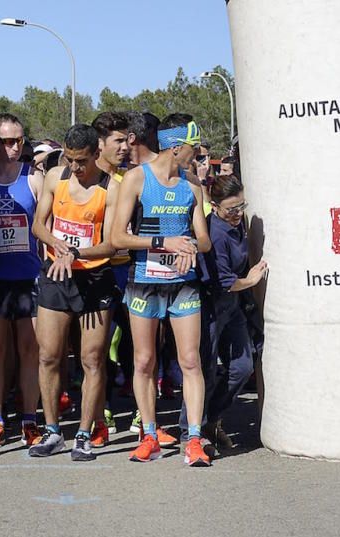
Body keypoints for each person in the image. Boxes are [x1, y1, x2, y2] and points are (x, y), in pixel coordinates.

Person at [110, 114, 213, 466]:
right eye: (192, 150)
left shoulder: (192, 185)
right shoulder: (137, 179)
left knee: (190, 360)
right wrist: (164, 242)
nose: (196, 156)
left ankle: (195, 440)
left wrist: (186, 246)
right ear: (174, 147)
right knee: (143, 360)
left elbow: (204, 242)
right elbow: (117, 237)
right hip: (144, 281)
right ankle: (150, 435)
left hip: (182, 284)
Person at [27, 124, 119, 462]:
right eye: (69, 159)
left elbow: (110, 243)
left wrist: (77, 254)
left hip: (94, 279)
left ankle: (84, 433)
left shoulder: (111, 189)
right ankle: (52, 431)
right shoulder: (55, 177)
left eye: (81, 161)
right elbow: (39, 224)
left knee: (92, 359)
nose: (75, 168)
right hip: (56, 273)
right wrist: (56, 245)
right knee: (49, 355)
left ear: (96, 154)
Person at [0, 113, 44, 447]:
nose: (14, 147)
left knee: (29, 351)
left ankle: (29, 419)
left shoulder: (34, 177)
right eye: (7, 141)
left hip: (28, 277)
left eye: (19, 140)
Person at [199, 175, 266, 451]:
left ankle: (211, 420)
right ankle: (193, 431)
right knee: (204, 370)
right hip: (211, 305)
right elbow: (225, 281)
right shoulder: (215, 232)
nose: (238, 214)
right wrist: (250, 281)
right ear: (214, 207)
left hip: (233, 306)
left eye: (241, 207)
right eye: (231, 209)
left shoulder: (236, 225)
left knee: (242, 366)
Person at [93, 111, 133, 439]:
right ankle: (99, 412)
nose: (125, 146)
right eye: (118, 140)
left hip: (127, 272)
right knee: (97, 347)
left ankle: (139, 414)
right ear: (100, 143)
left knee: (136, 345)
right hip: (96, 272)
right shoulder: (86, 182)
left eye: (127, 140)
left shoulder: (129, 181)